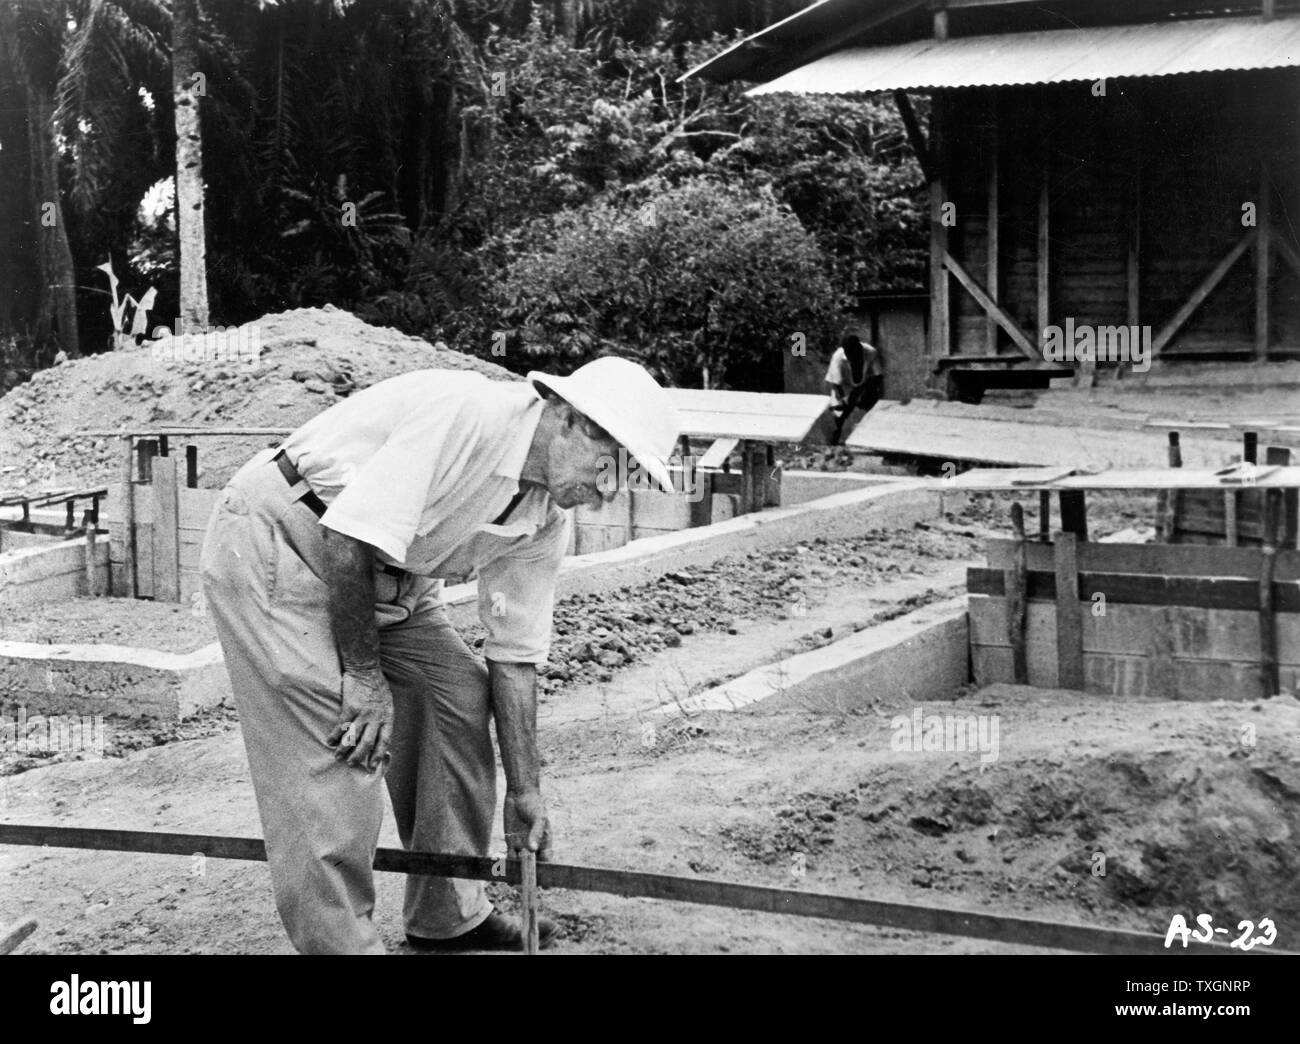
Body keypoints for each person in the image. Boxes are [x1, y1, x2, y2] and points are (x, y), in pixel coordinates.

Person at [199, 357, 680, 954]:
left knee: (455, 693)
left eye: (625, 476)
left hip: (387, 574)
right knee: (345, 738)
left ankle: (448, 914)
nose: (608, 489)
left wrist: (525, 792)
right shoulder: (466, 415)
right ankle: (343, 947)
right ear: (566, 418)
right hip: (284, 539)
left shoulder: (544, 519)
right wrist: (366, 677)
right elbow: (348, 535)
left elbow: (515, 654)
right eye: (609, 466)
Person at [824, 333, 884, 445]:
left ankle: (875, 441)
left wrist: (865, 393)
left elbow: (878, 375)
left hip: (865, 385)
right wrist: (845, 399)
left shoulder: (870, 352)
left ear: (859, 348)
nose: (851, 357)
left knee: (874, 409)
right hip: (843, 387)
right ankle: (833, 443)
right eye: (848, 354)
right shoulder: (838, 357)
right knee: (838, 413)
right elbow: (836, 384)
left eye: (854, 354)